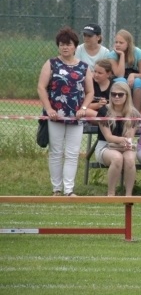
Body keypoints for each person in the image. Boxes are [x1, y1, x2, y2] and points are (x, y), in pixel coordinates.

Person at [37, 26, 95, 196]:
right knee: (56, 152)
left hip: (76, 117)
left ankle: (69, 190)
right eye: (62, 44)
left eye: (68, 44)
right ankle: (56, 189)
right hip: (55, 116)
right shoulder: (51, 63)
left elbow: (90, 92)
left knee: (72, 153)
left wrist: (84, 108)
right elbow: (41, 87)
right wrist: (48, 109)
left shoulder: (84, 67)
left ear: (75, 46)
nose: (65, 47)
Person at [95, 81, 139, 196]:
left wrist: (125, 142)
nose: (116, 97)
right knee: (117, 158)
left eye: (120, 94)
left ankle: (128, 195)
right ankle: (111, 194)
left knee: (129, 160)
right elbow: (108, 137)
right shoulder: (104, 111)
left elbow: (130, 136)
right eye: (113, 94)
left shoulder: (133, 113)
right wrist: (122, 140)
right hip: (105, 146)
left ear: (127, 96)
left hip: (125, 145)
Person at [108, 29, 141, 111]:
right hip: (118, 78)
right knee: (122, 80)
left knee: (138, 82)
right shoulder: (112, 55)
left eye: (121, 43)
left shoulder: (138, 52)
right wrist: (122, 55)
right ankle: (122, 111)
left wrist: (132, 75)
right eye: (116, 42)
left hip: (134, 77)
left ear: (128, 44)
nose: (118, 45)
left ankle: (136, 113)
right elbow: (119, 74)